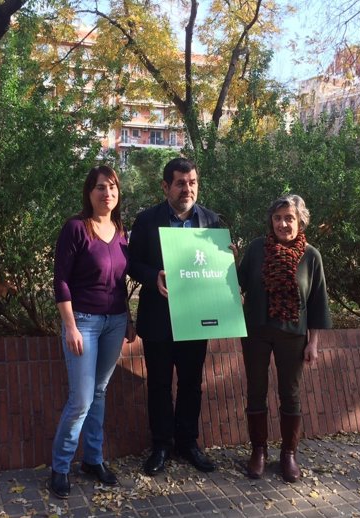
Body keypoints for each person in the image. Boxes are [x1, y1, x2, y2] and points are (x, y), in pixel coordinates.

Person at [128, 157, 220, 476]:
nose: (187, 188)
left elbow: (218, 268)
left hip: (196, 317)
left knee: (192, 383)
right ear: (166, 186)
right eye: (180, 182)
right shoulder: (146, 220)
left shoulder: (212, 222)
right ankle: (161, 445)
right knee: (159, 384)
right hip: (158, 318)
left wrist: (227, 260)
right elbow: (132, 263)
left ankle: (188, 442)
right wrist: (153, 276)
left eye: (192, 182)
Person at [49, 165, 136, 499]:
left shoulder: (120, 230)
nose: (107, 193)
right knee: (81, 399)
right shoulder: (76, 228)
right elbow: (61, 280)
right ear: (89, 193)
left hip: (114, 322)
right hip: (82, 321)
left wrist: (127, 318)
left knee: (99, 392)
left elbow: (120, 282)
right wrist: (70, 325)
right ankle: (60, 466)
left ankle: (93, 459)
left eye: (112, 187)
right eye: (100, 187)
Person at [237, 194, 331, 482]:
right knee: (256, 390)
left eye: (289, 218)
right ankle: (259, 451)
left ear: (300, 220)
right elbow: (236, 285)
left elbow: (317, 304)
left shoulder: (311, 256)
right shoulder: (256, 250)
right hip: (256, 332)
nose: (283, 223)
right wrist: (225, 260)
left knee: (290, 394)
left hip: (293, 335)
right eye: (277, 218)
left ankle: (288, 454)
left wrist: (313, 344)